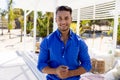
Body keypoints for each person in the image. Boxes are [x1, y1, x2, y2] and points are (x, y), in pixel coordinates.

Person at [37, 5, 92, 80]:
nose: (63, 22)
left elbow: (87, 65)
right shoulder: (47, 41)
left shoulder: (80, 42)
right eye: (60, 18)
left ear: (71, 19)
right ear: (56, 20)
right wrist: (56, 71)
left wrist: (70, 73)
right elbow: (41, 65)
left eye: (66, 18)